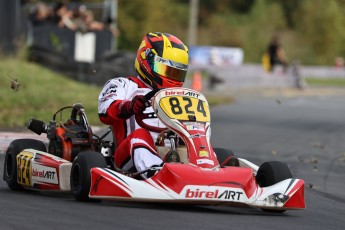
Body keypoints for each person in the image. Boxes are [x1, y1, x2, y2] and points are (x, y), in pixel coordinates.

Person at [98, 32, 189, 178]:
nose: (172, 77)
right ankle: (159, 174)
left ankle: (207, 171)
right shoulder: (123, 85)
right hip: (128, 156)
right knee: (140, 136)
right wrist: (129, 107)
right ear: (147, 61)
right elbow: (105, 111)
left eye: (176, 73)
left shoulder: (181, 97)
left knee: (193, 141)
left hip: (170, 153)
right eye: (167, 70)